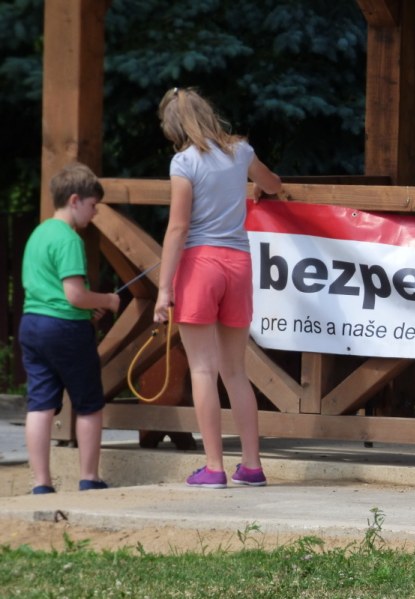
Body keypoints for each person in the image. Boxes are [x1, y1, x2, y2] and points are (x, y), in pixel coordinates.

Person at [154, 87, 282, 489]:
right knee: (236, 371)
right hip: (238, 264)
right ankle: (252, 466)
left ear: (174, 127)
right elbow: (273, 183)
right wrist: (259, 188)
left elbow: (178, 227)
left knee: (203, 369)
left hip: (200, 265)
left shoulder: (183, 162)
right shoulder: (240, 152)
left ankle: (213, 467)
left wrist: (163, 289)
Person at [19, 162, 121, 494]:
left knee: (40, 404)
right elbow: (74, 295)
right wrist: (106, 300)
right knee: (89, 403)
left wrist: (86, 307)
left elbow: (49, 289)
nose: (95, 213)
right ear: (75, 200)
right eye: (93, 205)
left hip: (32, 325)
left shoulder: (38, 234)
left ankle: (41, 483)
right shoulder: (69, 239)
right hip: (65, 329)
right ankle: (89, 478)